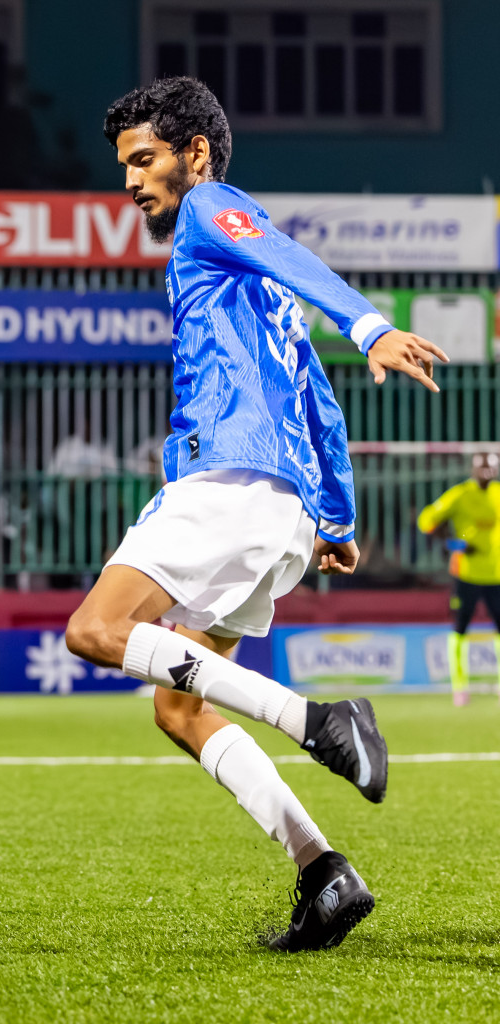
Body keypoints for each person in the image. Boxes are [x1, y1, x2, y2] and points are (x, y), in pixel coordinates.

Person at [65, 78, 448, 952]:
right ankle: (324, 872)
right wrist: (338, 520)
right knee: (179, 710)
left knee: (94, 630)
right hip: (282, 514)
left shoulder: (211, 211)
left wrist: (369, 327)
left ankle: (319, 721)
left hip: (228, 484)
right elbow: (319, 403)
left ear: (194, 153)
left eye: (143, 159)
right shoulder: (263, 294)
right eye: (124, 165)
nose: (130, 181)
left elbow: (282, 249)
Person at [417, 452, 500, 704]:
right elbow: (426, 521)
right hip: (466, 574)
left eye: (491, 468)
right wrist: (453, 543)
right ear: (473, 469)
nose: (487, 472)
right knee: (460, 629)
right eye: (482, 468)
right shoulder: (460, 495)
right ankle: (460, 687)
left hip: (496, 575)